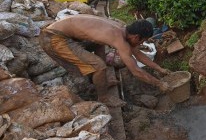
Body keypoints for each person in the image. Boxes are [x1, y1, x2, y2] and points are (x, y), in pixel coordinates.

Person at [39, 15, 172, 106]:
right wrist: (159, 84)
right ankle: (103, 98)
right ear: (136, 37)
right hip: (53, 39)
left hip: (63, 34)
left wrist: (159, 69)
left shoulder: (121, 28)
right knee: (99, 66)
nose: (141, 43)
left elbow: (138, 54)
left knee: (99, 44)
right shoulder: (118, 38)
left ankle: (102, 81)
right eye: (142, 40)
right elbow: (136, 71)